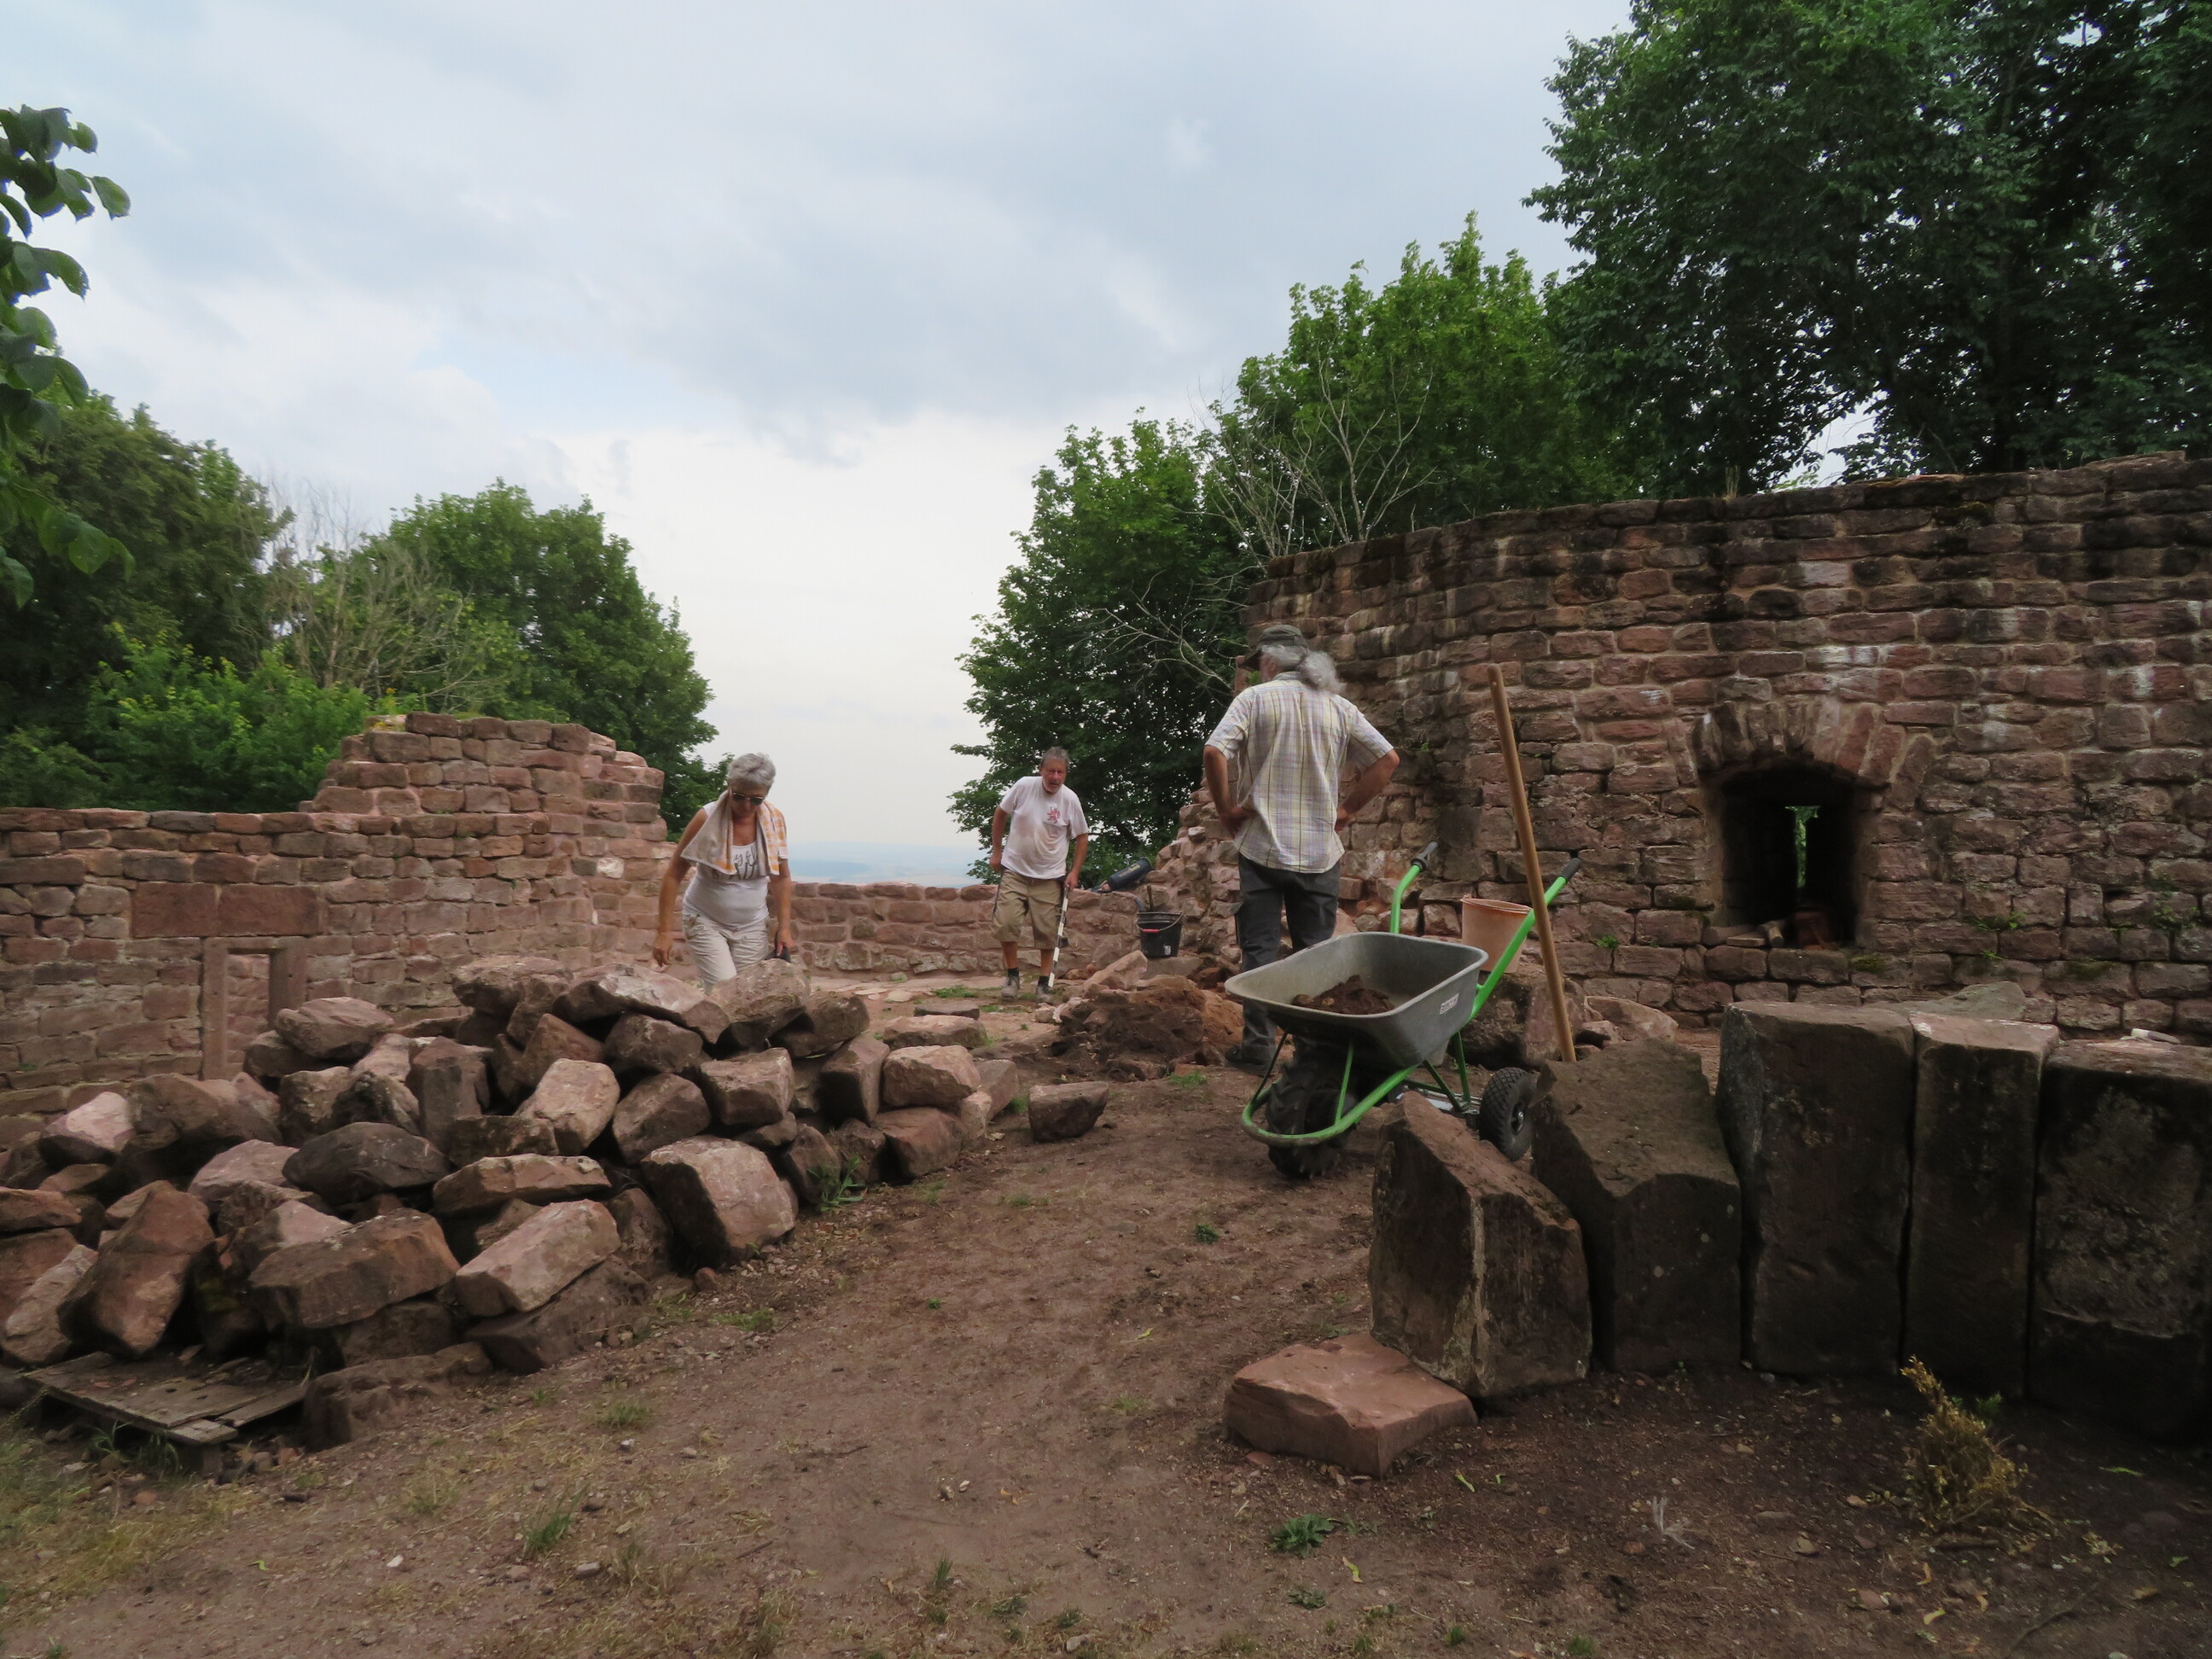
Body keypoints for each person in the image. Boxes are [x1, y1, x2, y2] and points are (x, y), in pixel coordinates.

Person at [1203, 623, 1400, 1065]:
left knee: (1260, 950)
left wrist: (1226, 809)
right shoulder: (1339, 708)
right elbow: (1387, 760)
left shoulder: (1253, 700)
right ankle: (1313, 1053)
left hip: (1261, 847)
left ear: (1269, 660)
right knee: (1315, 956)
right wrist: (1347, 811)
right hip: (1319, 853)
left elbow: (1215, 752)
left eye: (1259, 662)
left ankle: (1258, 1046)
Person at [652, 753, 797, 986]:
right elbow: (673, 874)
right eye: (739, 797)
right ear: (729, 786)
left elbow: (781, 878)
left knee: (748, 993)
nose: (746, 806)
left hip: (752, 924)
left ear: (766, 794)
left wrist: (784, 928)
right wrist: (663, 932)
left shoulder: (774, 821)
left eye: (756, 800)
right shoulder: (706, 819)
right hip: (706, 920)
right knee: (725, 990)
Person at [989, 746, 1090, 1000]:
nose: (1055, 777)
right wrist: (997, 851)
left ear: (1065, 774)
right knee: (1006, 924)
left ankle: (1044, 984)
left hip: (1049, 876)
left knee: (1047, 933)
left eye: (1060, 772)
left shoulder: (1070, 799)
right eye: (1050, 771)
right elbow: (1000, 813)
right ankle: (1012, 976)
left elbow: (1082, 836)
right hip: (1015, 871)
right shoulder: (1024, 786)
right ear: (1040, 770)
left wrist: (1074, 872)